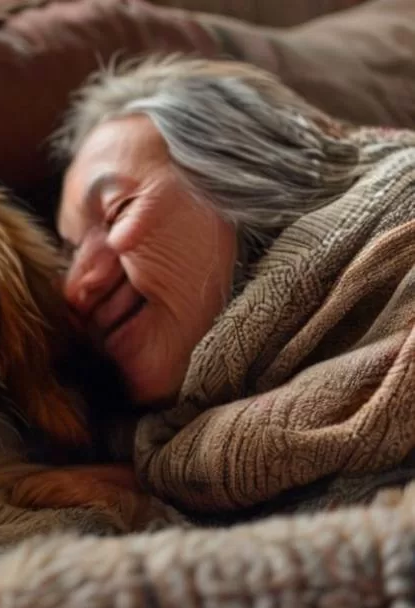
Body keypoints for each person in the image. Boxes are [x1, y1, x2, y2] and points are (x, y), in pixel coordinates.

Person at [46, 56, 415, 516]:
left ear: (247, 169)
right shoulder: (161, 470)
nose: (78, 287)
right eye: (69, 255)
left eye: (117, 209)